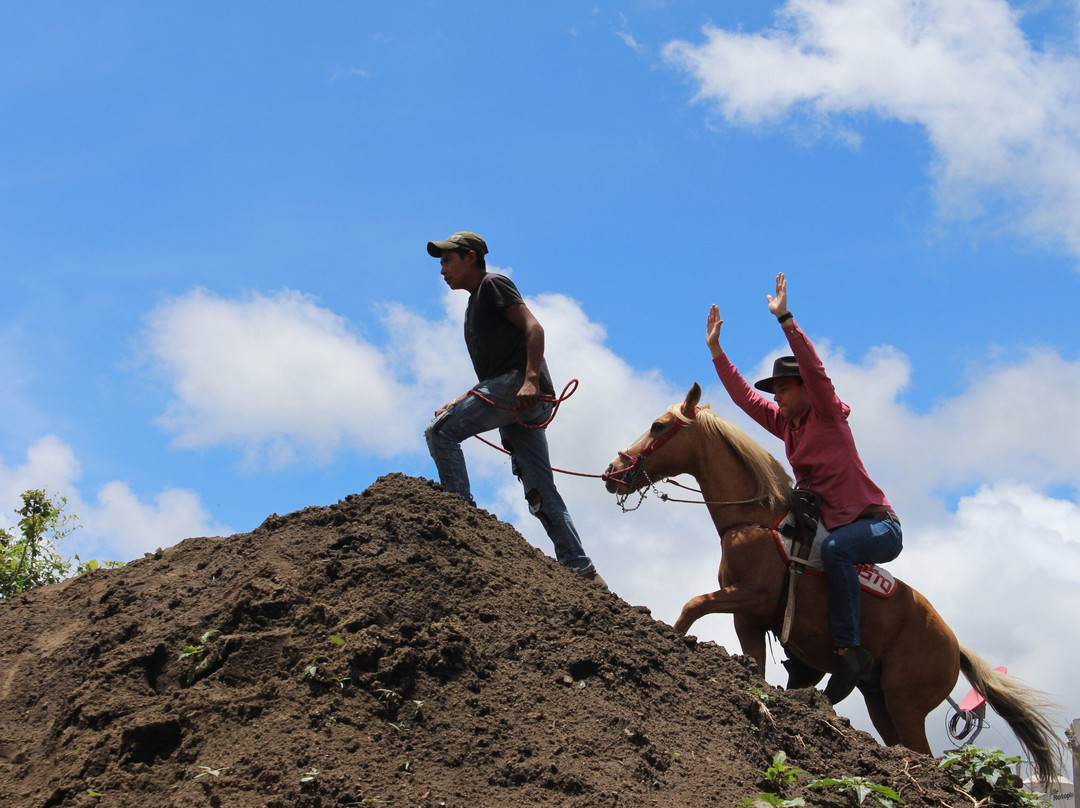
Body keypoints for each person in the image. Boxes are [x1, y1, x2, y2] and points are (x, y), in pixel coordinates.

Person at [705, 272, 902, 704]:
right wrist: (717, 351)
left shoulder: (828, 415)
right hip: (830, 525)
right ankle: (803, 654)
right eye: (774, 391)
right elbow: (744, 398)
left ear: (806, 392)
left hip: (877, 527)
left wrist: (786, 320)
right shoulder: (785, 424)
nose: (777, 398)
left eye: (785, 389)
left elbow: (815, 371)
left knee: (834, 551)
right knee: (780, 546)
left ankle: (849, 649)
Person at [424, 231, 603, 585]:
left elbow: (534, 329)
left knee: (441, 432)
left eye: (447, 260)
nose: (442, 270)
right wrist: (464, 398)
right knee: (539, 487)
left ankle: (461, 521)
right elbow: (493, 373)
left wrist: (531, 380)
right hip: (516, 396)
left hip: (520, 388)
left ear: (470, 257)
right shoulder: (474, 305)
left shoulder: (493, 285)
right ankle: (582, 570)